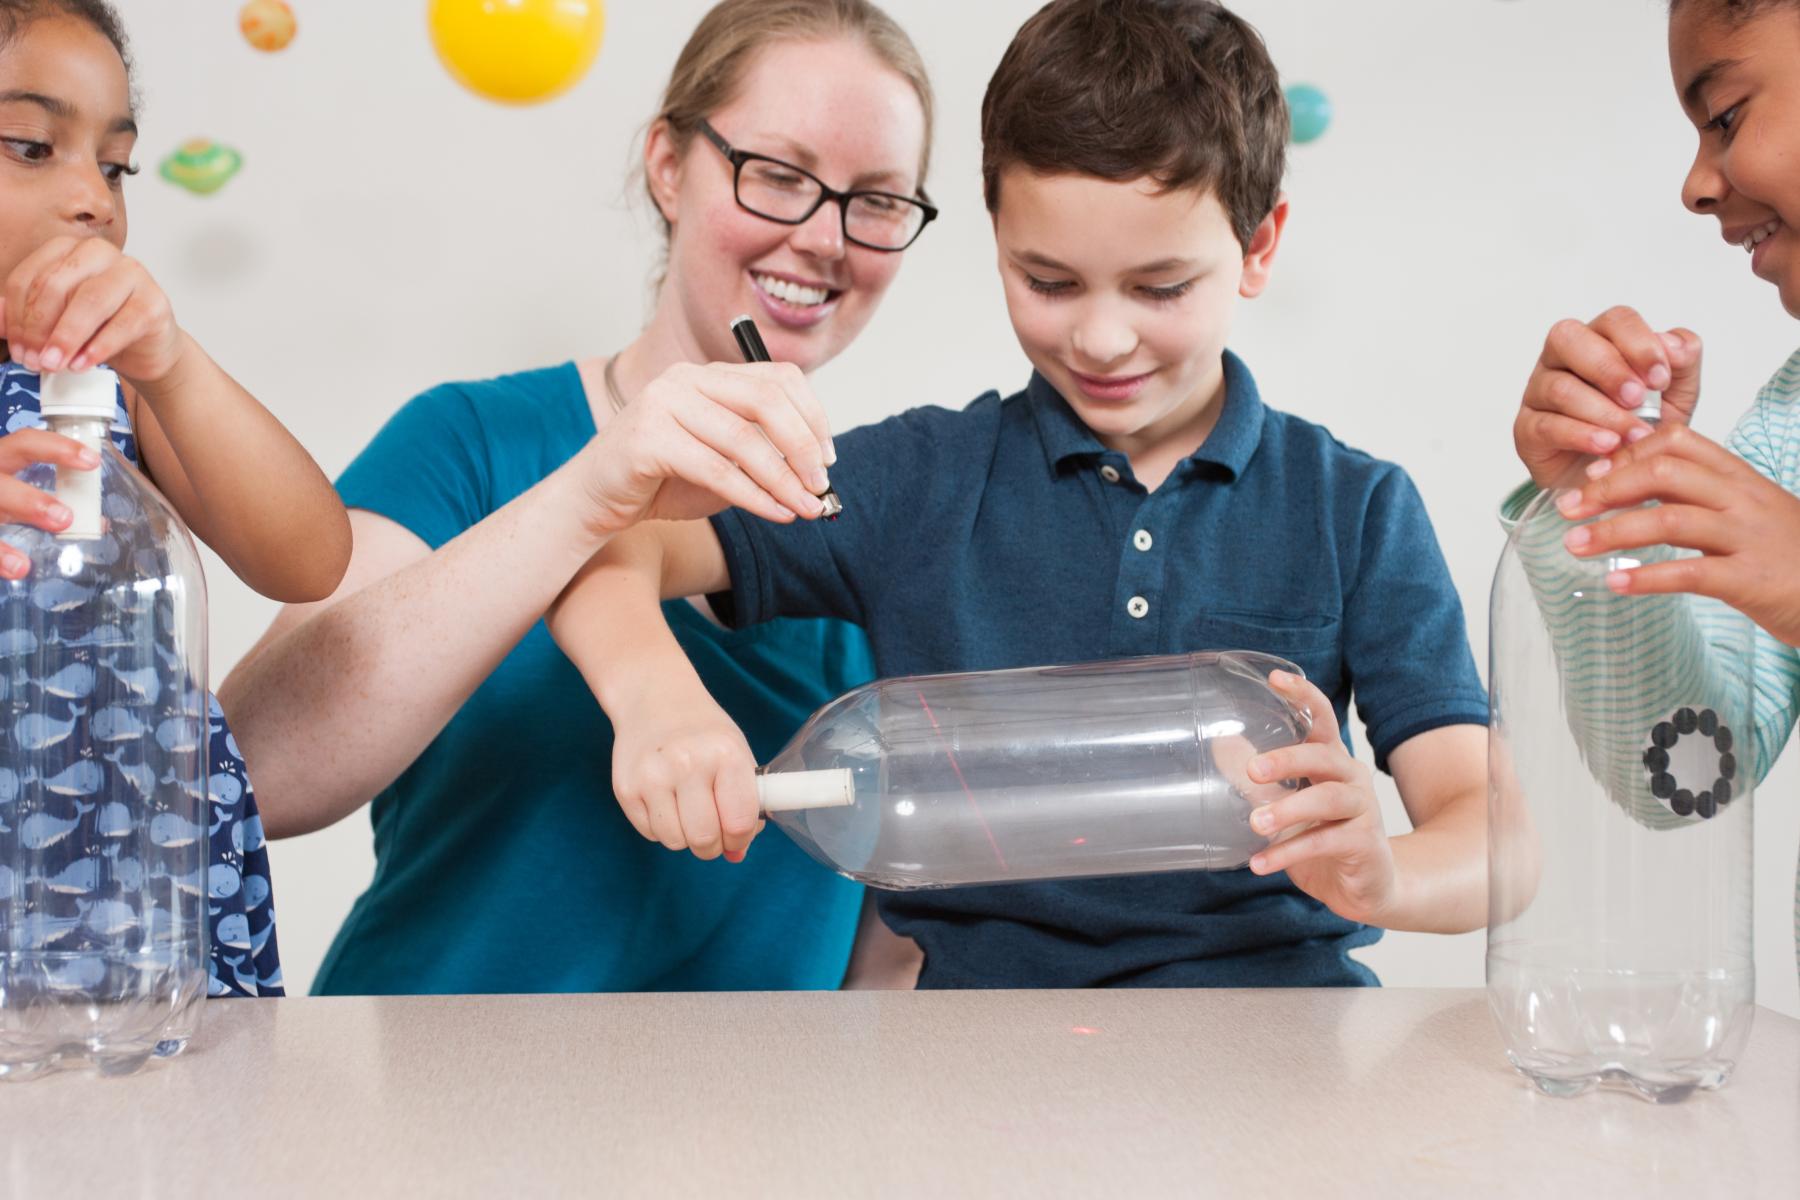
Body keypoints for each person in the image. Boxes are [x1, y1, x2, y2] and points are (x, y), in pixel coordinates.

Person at [549, 0, 1491, 989]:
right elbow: (615, 546)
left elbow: (1490, 831)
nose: (1101, 338)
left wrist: (1385, 874)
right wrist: (655, 700)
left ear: (1259, 246)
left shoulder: (1352, 509)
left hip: (1285, 1056)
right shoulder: (917, 481)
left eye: (1160, 287)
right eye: (1048, 280)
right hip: (982, 1076)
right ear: (997, 232)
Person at [218, 0, 938, 994]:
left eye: (879, 200)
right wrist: (594, 495)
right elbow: (248, 772)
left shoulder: (896, 532)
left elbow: (889, 957)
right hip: (406, 1127)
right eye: (777, 174)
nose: (825, 237)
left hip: (743, 1146)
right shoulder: (471, 443)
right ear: (668, 164)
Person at [0, 0, 354, 996]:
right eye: (34, 146)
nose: (94, 200)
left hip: (138, 896)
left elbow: (310, 558)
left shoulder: (112, 384)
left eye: (115, 166)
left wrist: (173, 367)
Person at [1507, 0, 1800, 977]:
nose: (1697, 184)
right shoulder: (1792, 433)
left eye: (1724, 117)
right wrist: (1619, 515)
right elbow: (1685, 781)